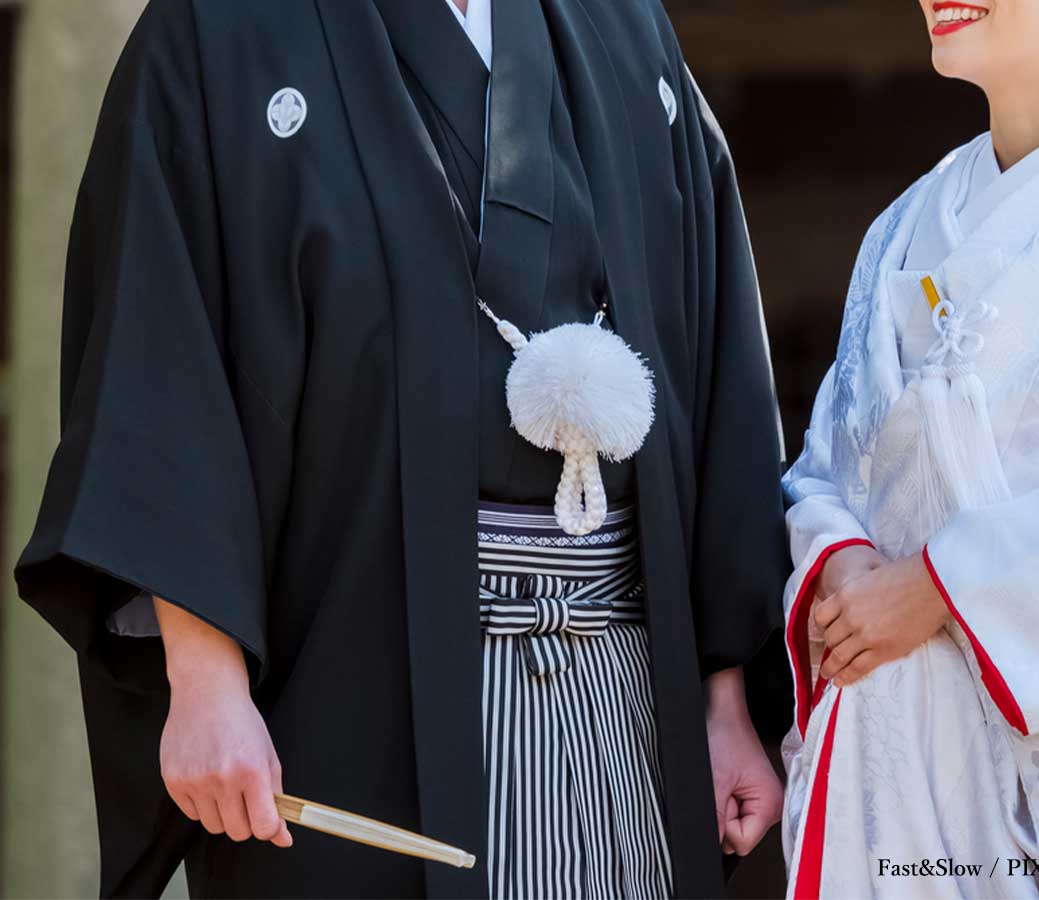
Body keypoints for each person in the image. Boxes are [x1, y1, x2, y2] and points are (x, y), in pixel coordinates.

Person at [14, 0, 791, 896]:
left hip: (621, 698)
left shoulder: (624, 25)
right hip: (356, 678)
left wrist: (723, 697)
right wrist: (203, 678)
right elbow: (160, 355)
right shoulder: (221, 29)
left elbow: (712, 363)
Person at [780, 0, 1039, 897]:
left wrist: (942, 587)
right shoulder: (901, 226)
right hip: (905, 770)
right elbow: (826, 464)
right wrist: (842, 561)